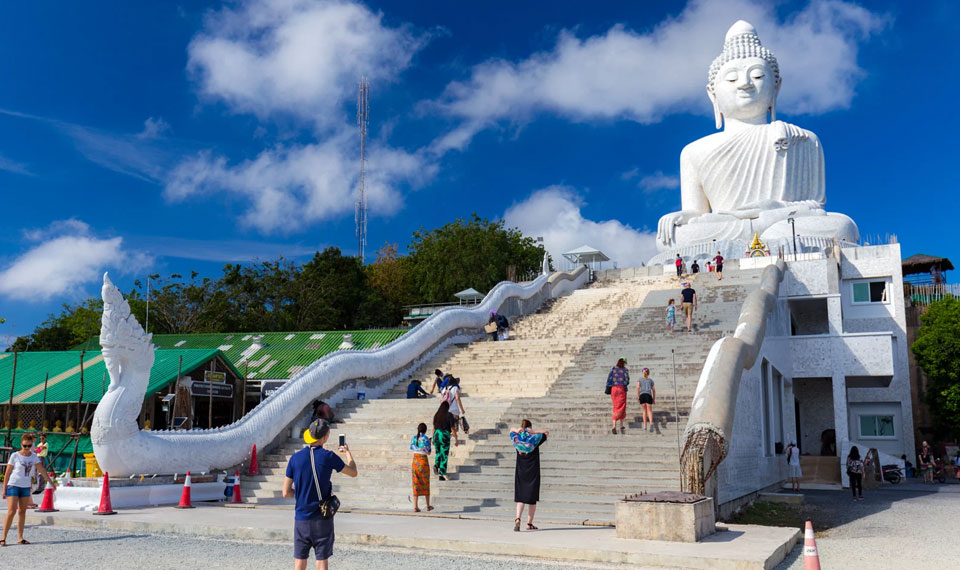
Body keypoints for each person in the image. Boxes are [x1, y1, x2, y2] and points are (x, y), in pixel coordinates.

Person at [283, 419, 357, 570]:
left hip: (301, 518)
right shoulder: (328, 456)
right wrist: (348, 453)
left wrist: (302, 493)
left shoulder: (294, 458)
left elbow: (285, 492)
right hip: (322, 518)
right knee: (321, 560)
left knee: (299, 561)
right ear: (325, 437)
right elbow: (353, 472)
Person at [2, 433, 56, 546]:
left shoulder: (33, 456)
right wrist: (4, 489)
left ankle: (20, 537)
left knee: (22, 511)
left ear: (32, 445)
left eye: (29, 446)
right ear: (21, 444)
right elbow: (7, 473)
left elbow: (41, 470)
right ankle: (3, 537)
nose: (26, 448)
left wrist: (51, 483)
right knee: (12, 511)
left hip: (25, 486)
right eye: (24, 445)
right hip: (13, 485)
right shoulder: (15, 456)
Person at [511, 420, 549, 532]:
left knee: (520, 497)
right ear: (530, 427)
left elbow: (510, 430)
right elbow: (546, 433)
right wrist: (534, 431)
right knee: (532, 499)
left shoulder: (516, 439)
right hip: (533, 471)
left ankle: (517, 519)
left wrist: (516, 430)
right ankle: (529, 523)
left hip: (520, 471)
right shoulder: (534, 439)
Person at [409, 423, 434, 513]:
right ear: (425, 430)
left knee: (415, 483)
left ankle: (415, 506)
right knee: (425, 482)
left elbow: (412, 448)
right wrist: (430, 443)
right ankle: (428, 506)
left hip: (415, 461)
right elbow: (428, 453)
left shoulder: (413, 438)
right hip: (423, 461)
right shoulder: (426, 439)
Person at [606, 358, 630, 435]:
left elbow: (609, 379)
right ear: (624, 363)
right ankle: (621, 425)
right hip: (621, 389)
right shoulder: (625, 370)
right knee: (622, 406)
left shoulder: (613, 370)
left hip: (613, 389)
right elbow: (627, 381)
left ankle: (614, 426)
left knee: (616, 406)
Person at [432, 401, 455, 481]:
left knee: (438, 452)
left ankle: (436, 464)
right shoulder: (449, 415)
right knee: (444, 454)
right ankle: (441, 474)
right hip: (444, 435)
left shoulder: (436, 415)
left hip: (436, 435)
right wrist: (456, 438)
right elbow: (452, 428)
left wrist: (432, 438)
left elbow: (434, 428)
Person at [441, 378, 465, 446]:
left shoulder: (444, 389)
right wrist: (462, 409)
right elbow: (457, 398)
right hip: (454, 410)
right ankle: (453, 439)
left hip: (445, 410)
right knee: (455, 427)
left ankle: (447, 438)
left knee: (448, 427)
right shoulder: (455, 388)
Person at [637, 368, 656, 432]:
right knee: (649, 411)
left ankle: (645, 426)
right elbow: (653, 390)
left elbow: (638, 388)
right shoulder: (650, 380)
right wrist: (654, 398)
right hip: (648, 395)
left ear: (643, 373)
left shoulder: (639, 379)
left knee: (644, 411)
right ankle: (651, 423)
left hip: (642, 395)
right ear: (649, 373)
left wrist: (638, 396)